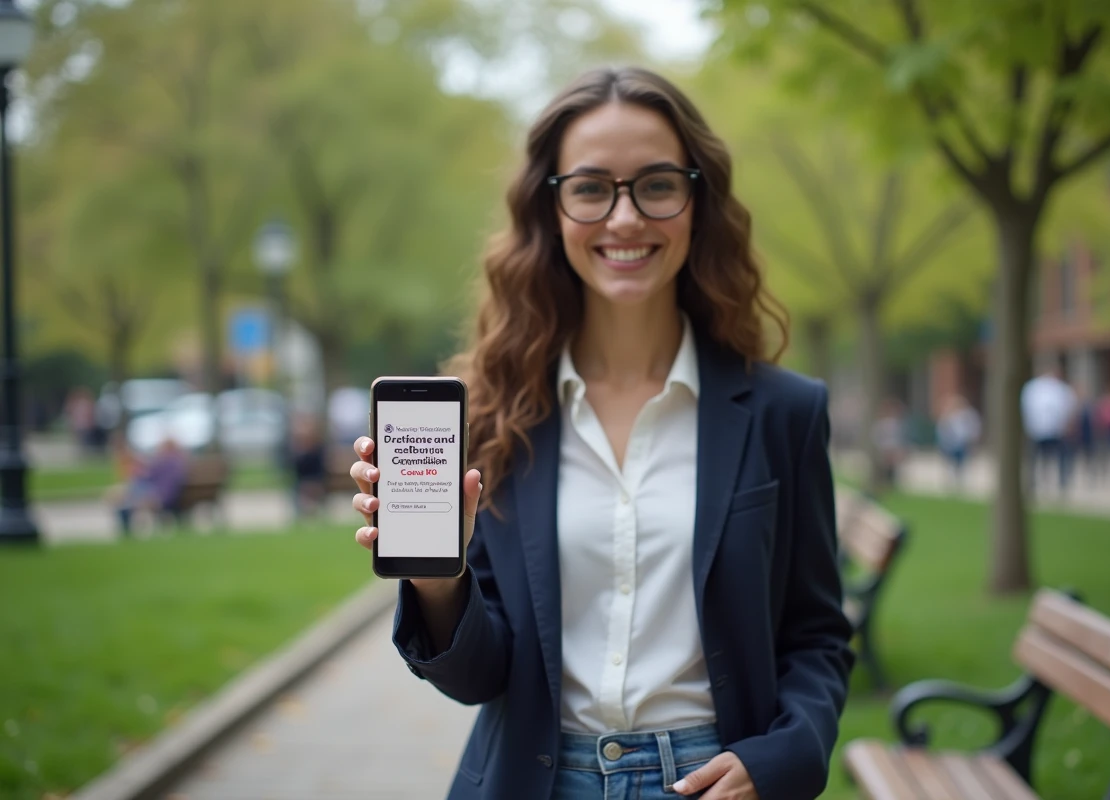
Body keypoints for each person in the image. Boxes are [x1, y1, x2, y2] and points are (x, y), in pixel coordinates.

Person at [347, 67, 853, 800]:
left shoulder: (784, 412)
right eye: (590, 188)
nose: (624, 219)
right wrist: (438, 576)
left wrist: (776, 762)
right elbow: (477, 679)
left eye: (656, 184)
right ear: (549, 210)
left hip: (713, 782)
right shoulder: (495, 415)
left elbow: (817, 637)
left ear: (696, 200)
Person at [113, 437, 189, 534]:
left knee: (131, 494)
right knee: (133, 490)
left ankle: (125, 515)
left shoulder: (165, 462)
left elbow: (149, 476)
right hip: (169, 496)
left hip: (162, 497)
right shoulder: (179, 462)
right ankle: (125, 504)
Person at [1021, 366, 1076, 493]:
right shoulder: (1057, 388)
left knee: (1047, 458)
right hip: (1043, 430)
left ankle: (1059, 482)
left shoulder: (1035, 388)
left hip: (1050, 430)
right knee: (1041, 458)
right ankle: (1051, 482)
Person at [935, 394, 981, 488]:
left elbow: (973, 430)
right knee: (950, 464)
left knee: (961, 463)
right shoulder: (948, 415)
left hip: (962, 443)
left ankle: (958, 482)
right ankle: (951, 482)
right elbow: (942, 430)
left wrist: (972, 443)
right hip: (950, 444)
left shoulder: (969, 415)